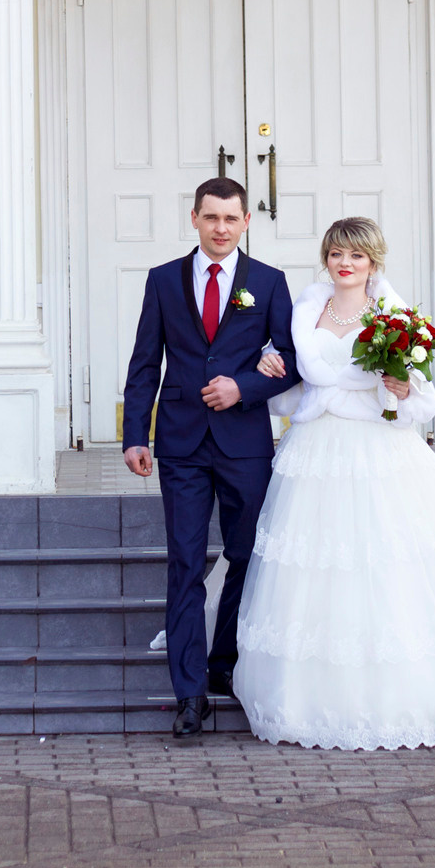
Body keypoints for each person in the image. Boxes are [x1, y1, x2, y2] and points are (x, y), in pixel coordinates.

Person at [231, 216, 435, 749]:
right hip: (316, 448)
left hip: (378, 450)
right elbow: (296, 381)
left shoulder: (391, 315)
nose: (345, 264)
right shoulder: (305, 310)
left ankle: (412, 696)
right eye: (337, 254)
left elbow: (423, 400)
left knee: (385, 560)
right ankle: (316, 695)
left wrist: (399, 387)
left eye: (357, 257)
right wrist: (271, 365)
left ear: (373, 263)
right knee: (319, 566)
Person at [120, 177, 304, 740]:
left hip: (244, 443)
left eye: (231, 219)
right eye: (211, 218)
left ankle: (225, 663)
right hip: (179, 443)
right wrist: (135, 435)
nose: (220, 229)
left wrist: (244, 387)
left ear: (247, 221)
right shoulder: (163, 281)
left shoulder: (269, 284)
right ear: (194, 219)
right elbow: (145, 362)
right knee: (185, 561)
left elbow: (293, 359)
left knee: (248, 557)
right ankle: (189, 693)